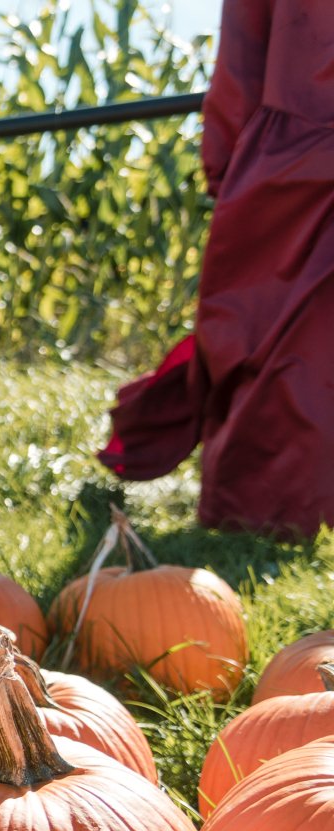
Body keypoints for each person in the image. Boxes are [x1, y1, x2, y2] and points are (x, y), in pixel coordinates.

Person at [100, 0, 334, 539]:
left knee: (276, 341)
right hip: (301, 161)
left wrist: (227, 163)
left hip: (295, 165)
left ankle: (269, 513)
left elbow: (242, 59)